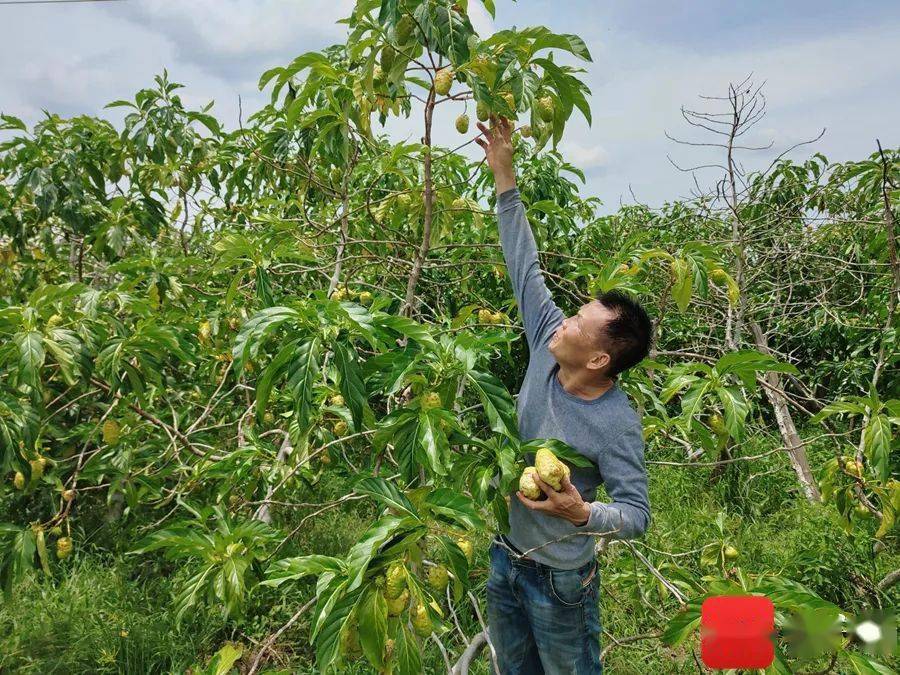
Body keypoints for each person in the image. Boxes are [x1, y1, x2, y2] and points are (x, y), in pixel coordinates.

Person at [475, 115, 653, 674]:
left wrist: (582, 513)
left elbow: (636, 514)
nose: (562, 323)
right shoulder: (548, 343)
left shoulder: (616, 422)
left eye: (578, 323)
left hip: (561, 578)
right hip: (506, 556)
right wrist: (505, 176)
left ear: (599, 359)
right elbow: (523, 266)